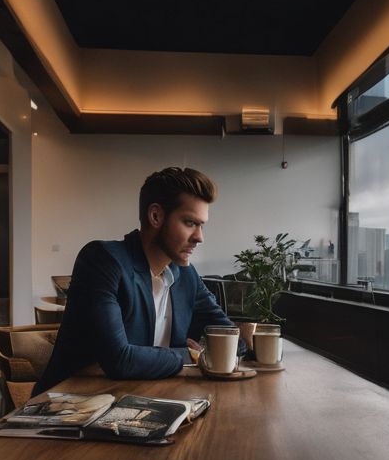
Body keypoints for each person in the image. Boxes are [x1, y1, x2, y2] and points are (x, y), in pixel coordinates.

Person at [33, 167, 240, 395]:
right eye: (190, 223)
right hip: (68, 409)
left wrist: (227, 346)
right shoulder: (102, 260)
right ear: (156, 216)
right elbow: (119, 359)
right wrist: (189, 354)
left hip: (139, 404)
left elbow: (231, 337)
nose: (199, 237)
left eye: (202, 226)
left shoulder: (186, 276)